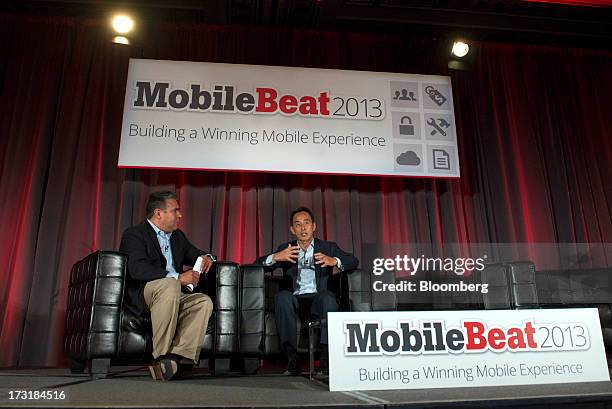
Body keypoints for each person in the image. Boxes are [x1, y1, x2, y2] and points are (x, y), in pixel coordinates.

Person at [119, 191, 215, 381]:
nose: (180, 215)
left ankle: (179, 358)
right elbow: (137, 268)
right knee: (170, 285)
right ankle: (161, 358)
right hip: (146, 293)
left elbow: (197, 253)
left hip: (173, 293)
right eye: (175, 211)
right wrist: (178, 277)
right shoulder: (134, 234)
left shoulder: (177, 236)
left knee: (203, 301)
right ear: (158, 213)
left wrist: (207, 258)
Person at [256, 206, 358, 376]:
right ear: (292, 229)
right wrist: (275, 257)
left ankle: (326, 362)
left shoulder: (328, 247)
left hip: (318, 300)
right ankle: (292, 361)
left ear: (314, 226)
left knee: (328, 298)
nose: (303, 228)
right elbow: (256, 265)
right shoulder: (286, 248)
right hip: (295, 300)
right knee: (282, 297)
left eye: (306, 223)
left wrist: (334, 260)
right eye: (298, 224)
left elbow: (353, 261)